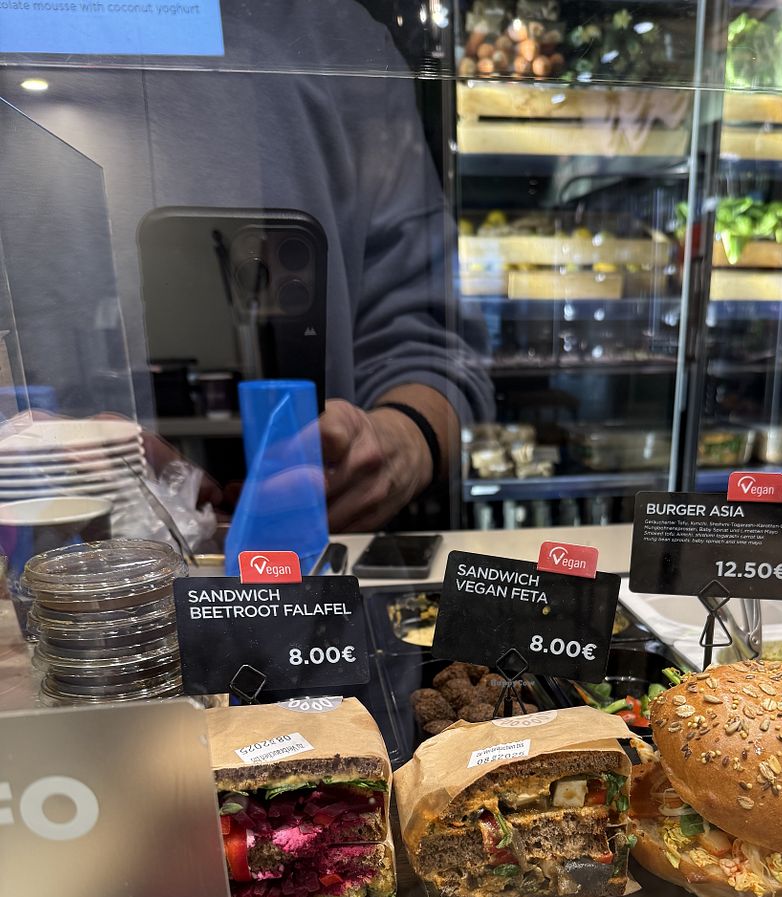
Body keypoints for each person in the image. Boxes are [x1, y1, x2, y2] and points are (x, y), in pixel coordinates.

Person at [0, 0, 493, 530]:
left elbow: (434, 344)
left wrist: (398, 442)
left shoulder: (337, 38)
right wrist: (25, 452)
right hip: (36, 553)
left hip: (307, 544)